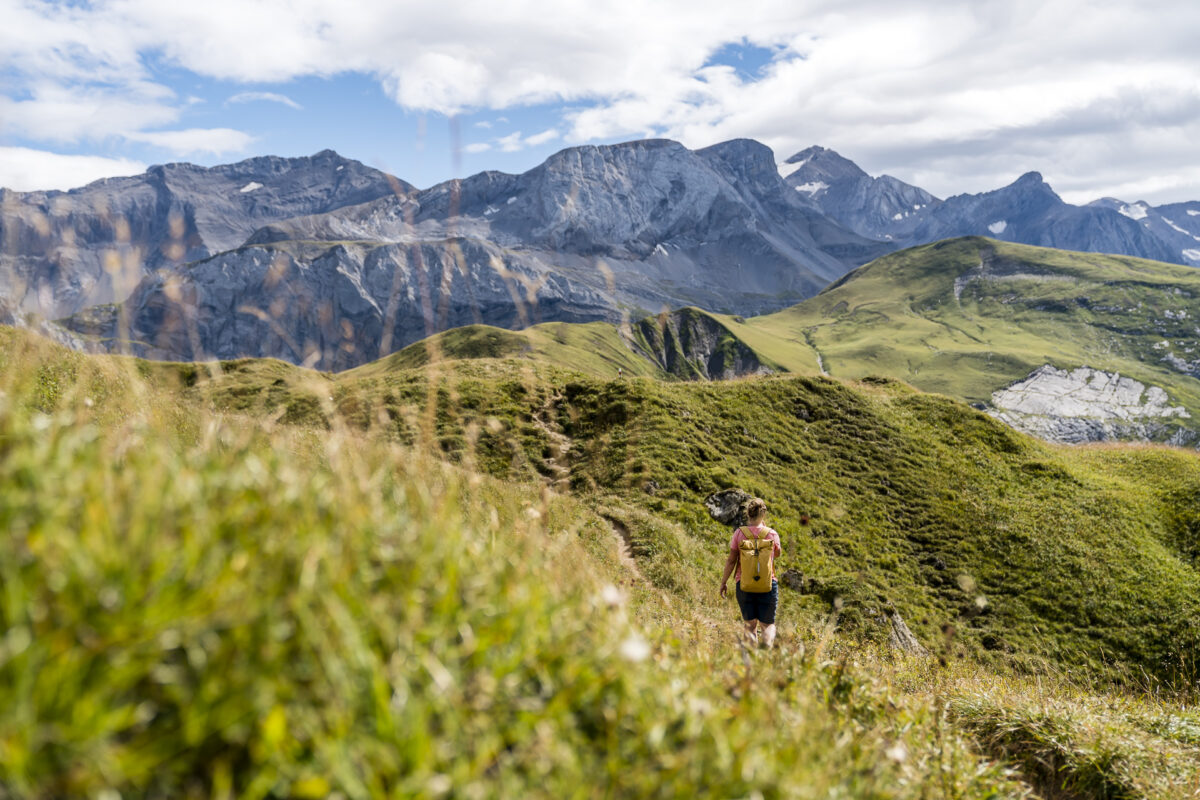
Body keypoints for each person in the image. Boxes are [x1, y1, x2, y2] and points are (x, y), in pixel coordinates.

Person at [719, 498, 781, 648]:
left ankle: (752, 660)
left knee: (750, 625)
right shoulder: (772, 534)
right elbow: (777, 554)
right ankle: (766, 651)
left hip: (744, 585)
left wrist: (724, 582)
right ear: (763, 514)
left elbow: (731, 560)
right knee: (768, 625)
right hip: (767, 584)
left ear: (748, 514)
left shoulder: (739, 534)